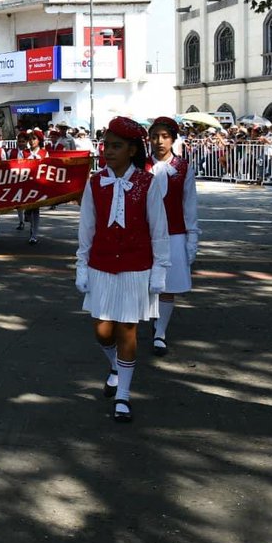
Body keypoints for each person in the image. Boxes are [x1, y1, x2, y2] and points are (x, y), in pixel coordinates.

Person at [75, 116, 170, 423]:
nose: (108, 151)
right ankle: (115, 366)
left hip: (135, 265)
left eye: (116, 146)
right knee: (102, 330)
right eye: (106, 145)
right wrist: (81, 265)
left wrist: (159, 270)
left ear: (132, 150)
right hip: (101, 264)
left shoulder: (147, 183)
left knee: (127, 328)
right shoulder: (95, 183)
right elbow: (86, 229)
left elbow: (159, 230)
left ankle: (123, 396)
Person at [146, 116, 200, 356]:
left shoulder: (183, 167)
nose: (159, 141)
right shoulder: (140, 166)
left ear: (173, 139)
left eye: (165, 136)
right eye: (155, 136)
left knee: (168, 285)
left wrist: (192, 238)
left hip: (174, 234)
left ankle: (160, 332)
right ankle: (147, 320)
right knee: (145, 283)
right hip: (144, 234)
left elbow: (190, 204)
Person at [10, 128, 47, 244]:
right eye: (30, 139)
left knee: (36, 209)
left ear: (39, 140)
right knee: (28, 208)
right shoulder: (24, 152)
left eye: (34, 139)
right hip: (26, 183)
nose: (31, 141)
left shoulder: (44, 153)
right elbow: (19, 166)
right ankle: (28, 219)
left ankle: (34, 234)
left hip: (38, 184)